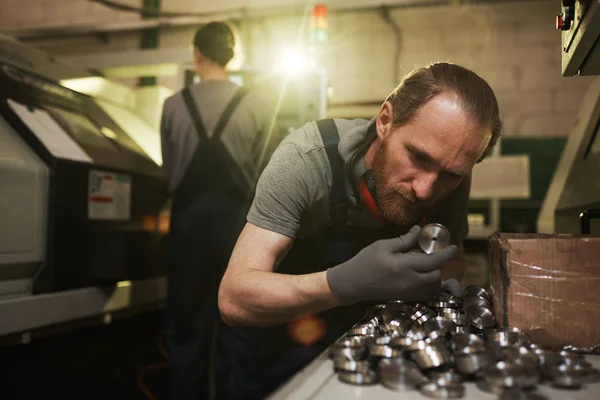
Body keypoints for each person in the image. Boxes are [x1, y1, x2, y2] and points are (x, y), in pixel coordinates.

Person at [216, 62, 502, 399]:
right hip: (275, 357)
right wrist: (341, 284)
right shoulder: (306, 160)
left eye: (451, 174)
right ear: (385, 121)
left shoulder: (451, 179)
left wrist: (437, 288)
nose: (426, 190)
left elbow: (452, 260)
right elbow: (234, 298)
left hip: (370, 364)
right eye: (418, 157)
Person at [159, 21, 278, 400]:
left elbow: (169, 171)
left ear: (196, 54)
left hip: (187, 225)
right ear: (233, 56)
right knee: (239, 326)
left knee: (185, 329)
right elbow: (266, 175)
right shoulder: (258, 105)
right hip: (238, 228)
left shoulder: (172, 105)